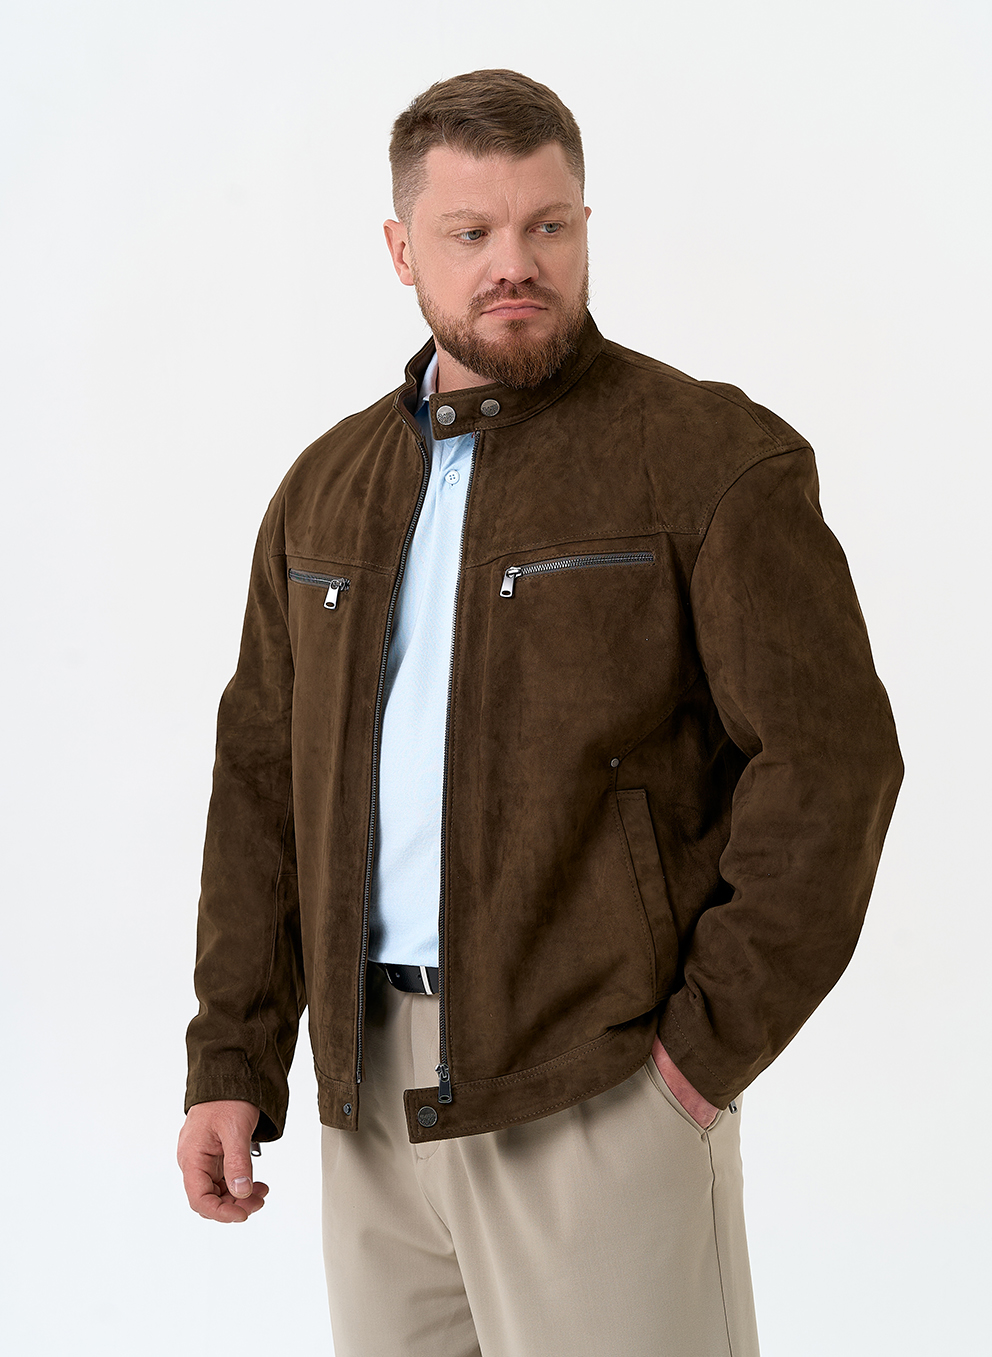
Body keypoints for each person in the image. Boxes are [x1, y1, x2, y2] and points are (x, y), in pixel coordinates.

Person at [177, 68, 903, 1356]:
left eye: (547, 225)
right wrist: (233, 1061)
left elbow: (832, 766)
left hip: (596, 1085)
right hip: (370, 1097)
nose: (515, 263)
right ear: (402, 248)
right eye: (471, 232)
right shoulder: (326, 490)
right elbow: (260, 784)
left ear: (582, 226)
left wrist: (690, 1069)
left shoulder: (708, 459)